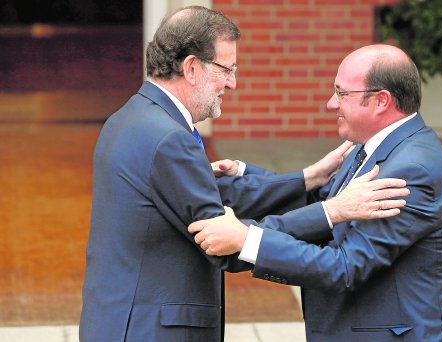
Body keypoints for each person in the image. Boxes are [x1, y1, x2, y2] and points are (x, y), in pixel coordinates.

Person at [79, 7, 410, 342]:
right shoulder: (170, 139)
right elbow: (224, 242)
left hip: (119, 319)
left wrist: (308, 178)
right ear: (192, 68)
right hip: (150, 330)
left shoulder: (132, 117)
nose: (233, 83)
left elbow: (221, 197)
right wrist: (332, 211)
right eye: (227, 69)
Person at [189, 44, 442, 342]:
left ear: (381, 101)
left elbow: (344, 266)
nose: (330, 104)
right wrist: (247, 175)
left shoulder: (411, 171)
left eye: (342, 93)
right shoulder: (370, 146)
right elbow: (327, 204)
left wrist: (248, 239)